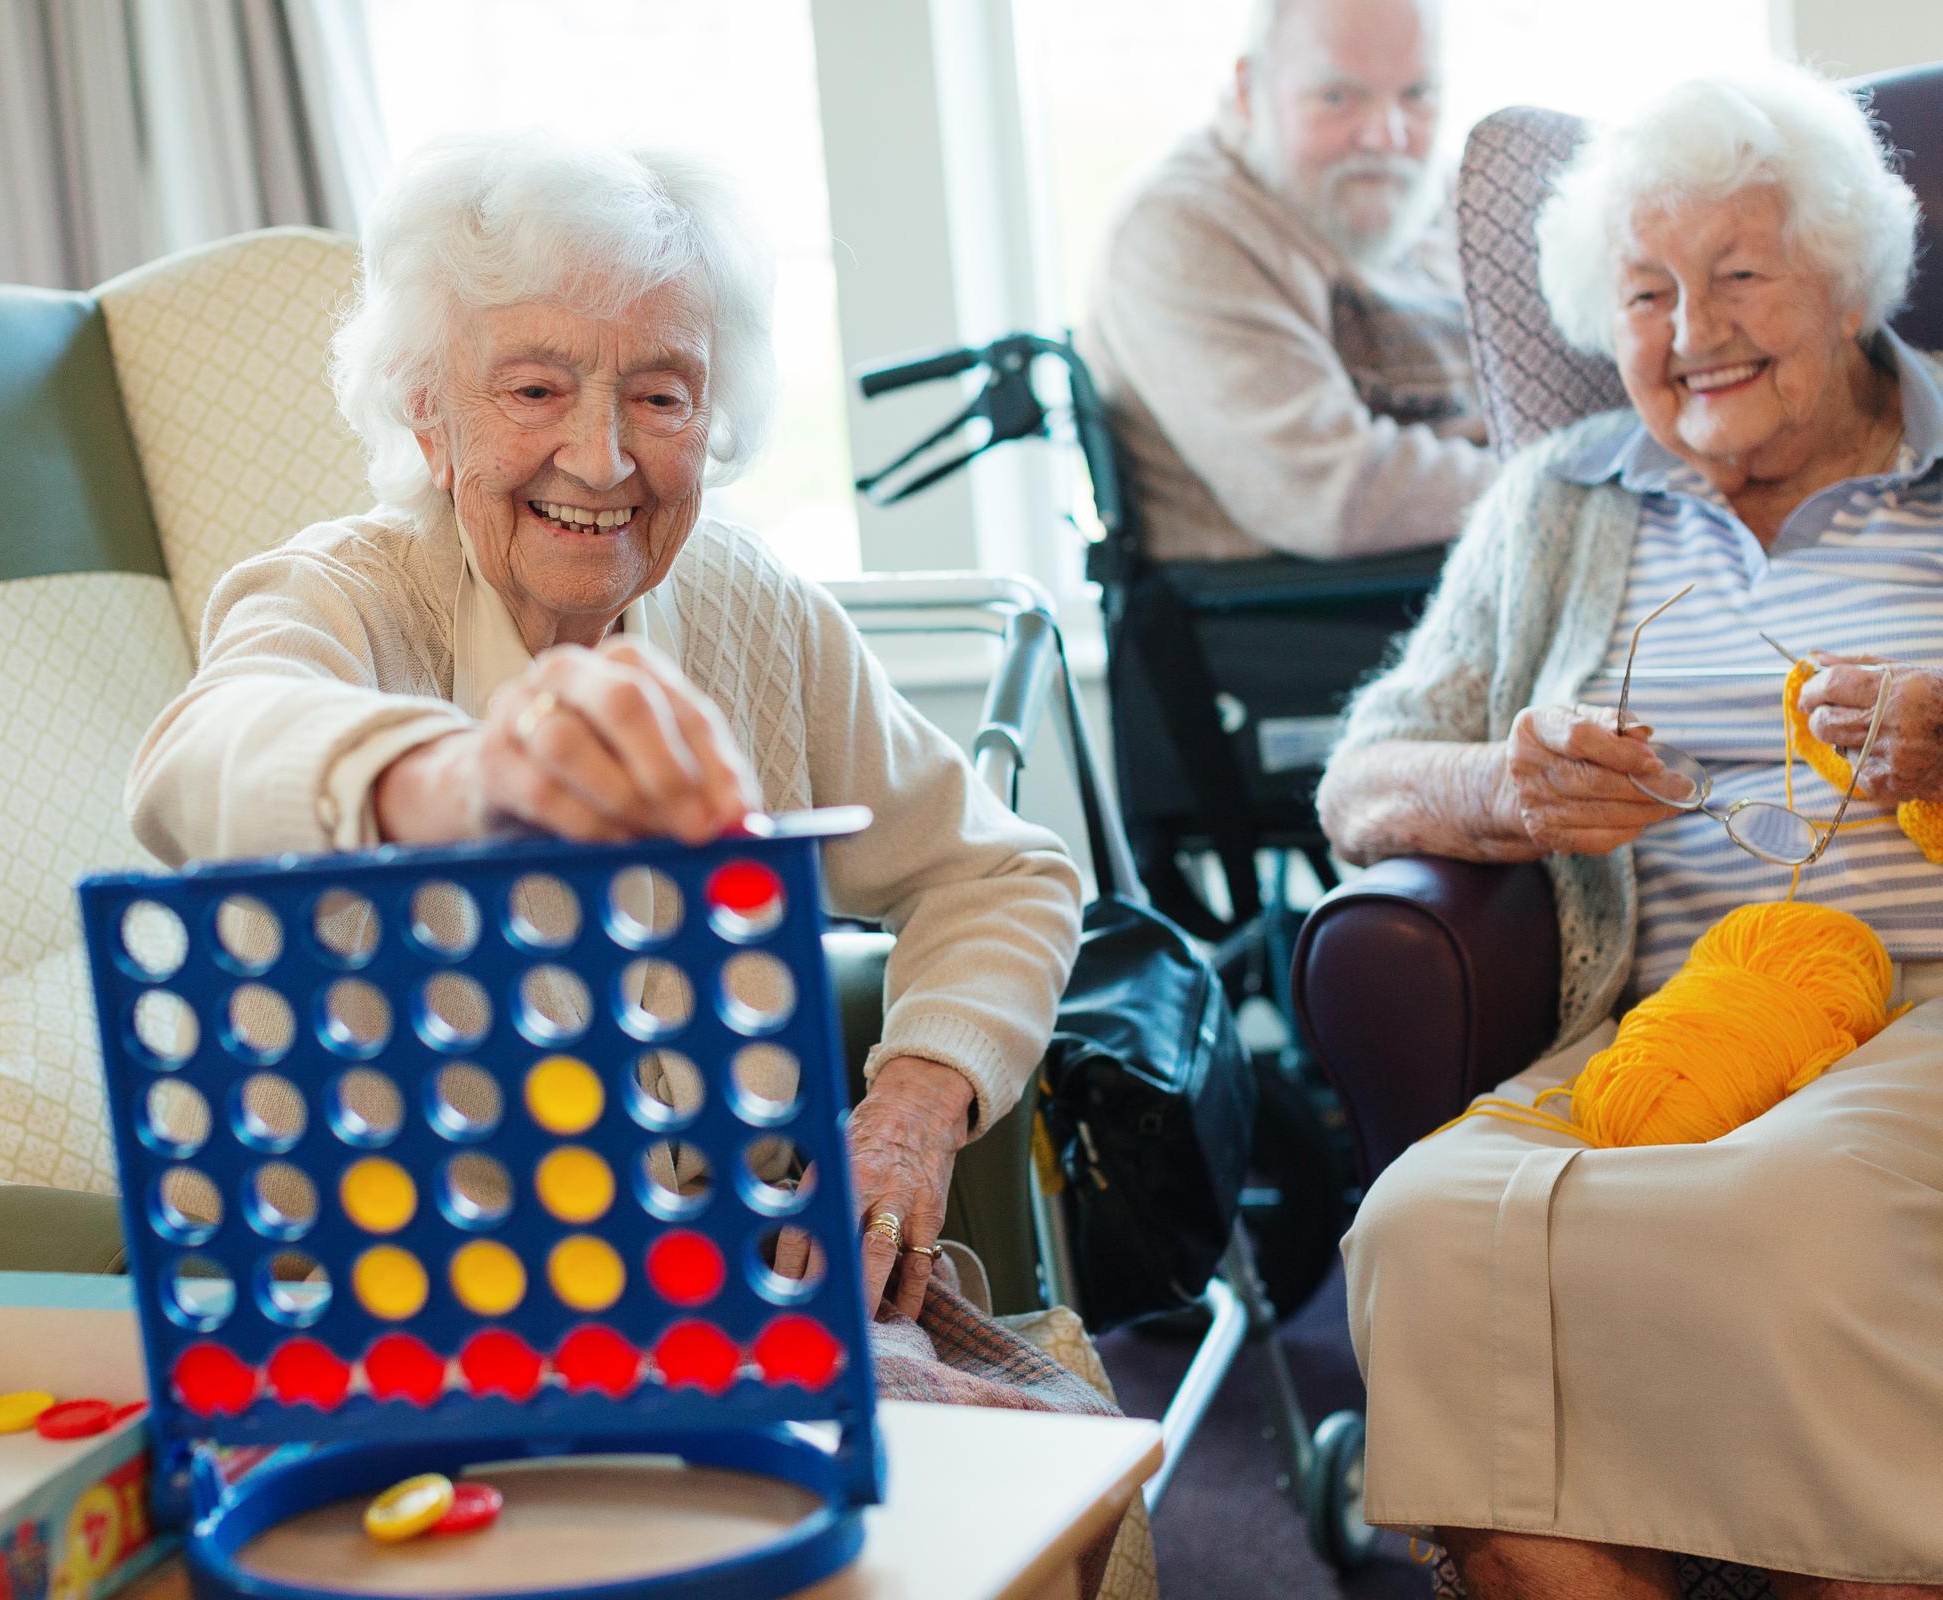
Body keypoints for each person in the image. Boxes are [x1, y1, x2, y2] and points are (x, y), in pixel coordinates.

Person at [125, 132, 1083, 1330]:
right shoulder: (337, 598)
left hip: (740, 1295)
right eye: (534, 390)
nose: (603, 455)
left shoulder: (748, 606)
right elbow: (196, 759)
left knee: (1038, 1484)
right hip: (416, 1314)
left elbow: (1003, 872)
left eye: (660, 393)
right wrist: (458, 778)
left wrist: (911, 1110)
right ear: (428, 414)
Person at [1317, 66, 1943, 1598]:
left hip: (1920, 1017)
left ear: (1850, 281)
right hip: (1667, 1017)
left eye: (1740, 274)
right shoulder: (1562, 503)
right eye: (1647, 293)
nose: (1692, 330)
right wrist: (1505, 793)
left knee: (1780, 1220)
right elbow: (1362, 782)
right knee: (1422, 1229)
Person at [1078, 0, 1495, 563]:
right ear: (1251, 93)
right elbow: (1335, 499)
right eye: (1336, 97)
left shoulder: (1443, 195)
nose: (1385, 136)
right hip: (1315, 621)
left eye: (1417, 95)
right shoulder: (1181, 231)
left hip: (1480, 565)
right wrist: (1562, 482)